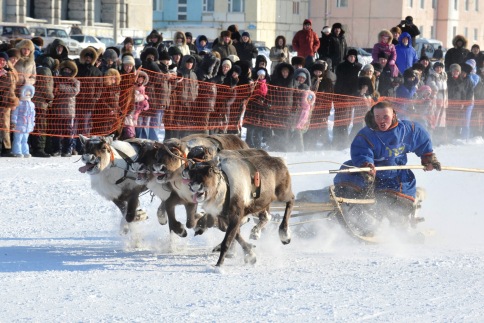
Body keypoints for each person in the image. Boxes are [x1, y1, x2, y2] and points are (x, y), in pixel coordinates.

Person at [333, 101, 441, 230]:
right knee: (348, 179)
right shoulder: (367, 134)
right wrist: (366, 166)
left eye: (385, 117)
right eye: (377, 117)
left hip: (395, 173)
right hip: (371, 172)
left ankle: (398, 226)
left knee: (395, 203)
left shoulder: (407, 130)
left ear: (393, 115)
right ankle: (351, 214)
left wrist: (428, 158)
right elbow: (361, 150)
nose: (381, 121)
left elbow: (422, 140)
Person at [51, 59, 80, 157]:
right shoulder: (57, 80)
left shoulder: (75, 81)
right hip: (57, 109)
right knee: (56, 131)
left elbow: (74, 91)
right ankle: (56, 149)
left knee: (68, 131)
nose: (66, 72)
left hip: (68, 111)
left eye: (69, 70)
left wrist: (61, 88)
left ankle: (67, 150)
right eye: (65, 70)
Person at [0, 51, 19, 157]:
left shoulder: (9, 73)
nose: (1, 62)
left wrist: (13, 101)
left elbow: (11, 89)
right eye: (0, 60)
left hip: (5, 103)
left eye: (3, 60)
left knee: (5, 125)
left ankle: (6, 148)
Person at [121, 70, 149, 140]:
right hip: (129, 112)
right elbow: (133, 98)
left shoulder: (143, 88)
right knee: (130, 132)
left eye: (142, 78)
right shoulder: (132, 87)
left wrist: (146, 104)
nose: (140, 79)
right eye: (139, 77)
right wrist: (143, 97)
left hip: (137, 112)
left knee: (136, 129)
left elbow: (144, 103)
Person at [11, 85, 36, 157]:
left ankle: (25, 151)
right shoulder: (19, 103)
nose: (27, 95)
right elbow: (15, 113)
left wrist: (32, 123)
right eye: (26, 94)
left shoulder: (32, 104)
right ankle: (17, 151)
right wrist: (14, 122)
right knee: (18, 139)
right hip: (19, 125)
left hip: (27, 126)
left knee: (25, 140)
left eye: (29, 94)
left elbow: (32, 115)